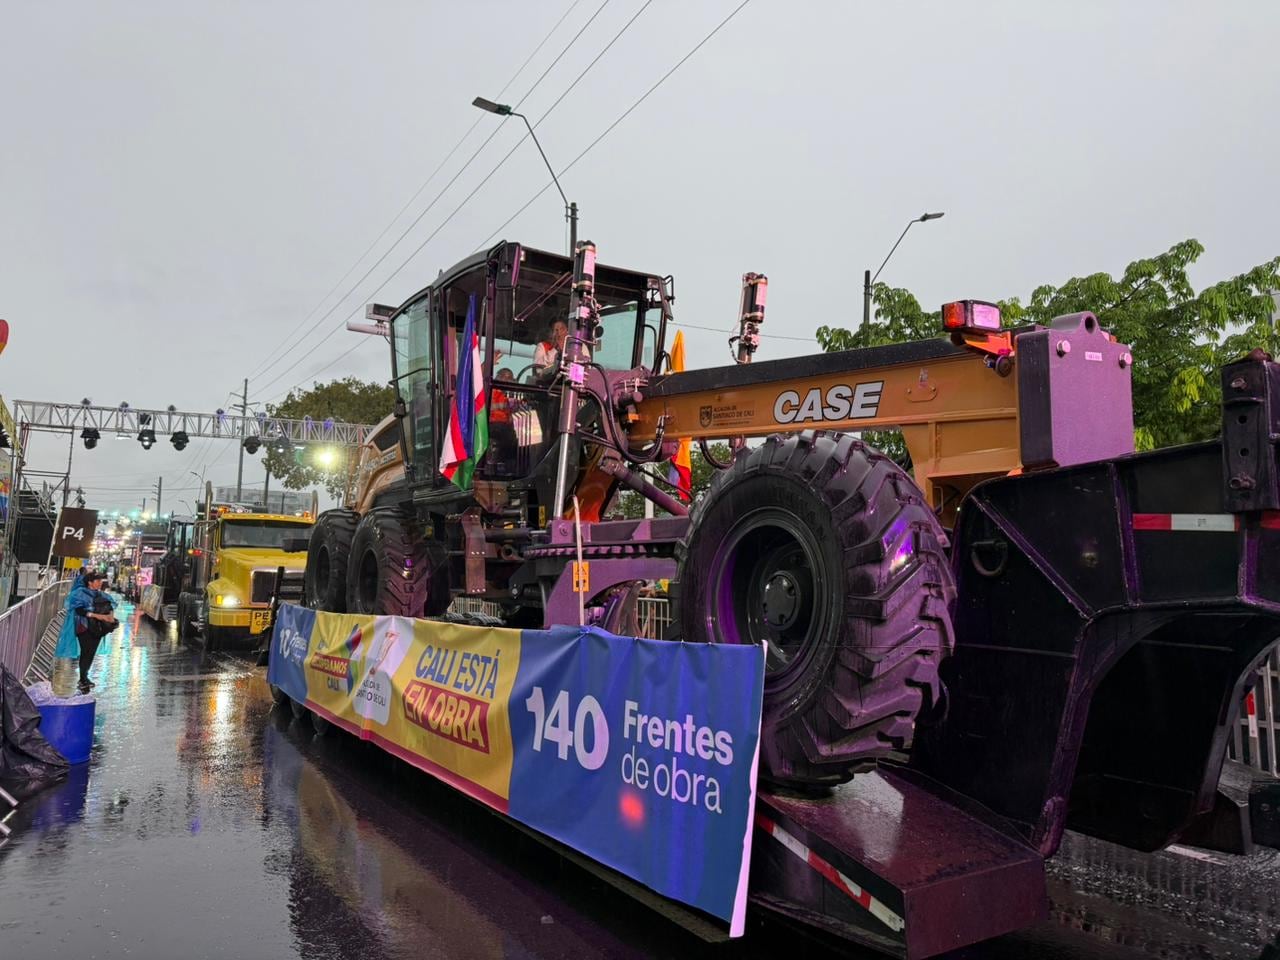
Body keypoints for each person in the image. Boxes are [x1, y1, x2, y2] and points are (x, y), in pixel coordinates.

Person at [71, 570, 117, 693]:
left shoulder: (101, 595)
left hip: (97, 629)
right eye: (97, 581)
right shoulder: (80, 594)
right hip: (84, 627)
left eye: (101, 581)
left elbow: (110, 607)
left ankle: (84, 677)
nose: (100, 583)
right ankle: (83, 678)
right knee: (86, 652)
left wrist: (110, 618)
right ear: (90, 583)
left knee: (91, 653)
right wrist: (98, 616)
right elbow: (79, 610)